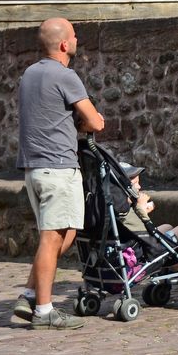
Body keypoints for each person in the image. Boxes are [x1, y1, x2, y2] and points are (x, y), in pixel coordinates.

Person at [12, 17, 105, 329]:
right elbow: (95, 122)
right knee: (53, 240)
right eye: (75, 36)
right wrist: (85, 123)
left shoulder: (29, 74)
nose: (77, 40)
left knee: (61, 236)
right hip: (59, 167)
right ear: (65, 44)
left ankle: (29, 295)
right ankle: (44, 310)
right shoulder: (66, 75)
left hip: (33, 168)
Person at [118, 162, 178, 261]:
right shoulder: (124, 211)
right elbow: (143, 232)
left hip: (127, 247)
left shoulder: (112, 206)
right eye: (135, 183)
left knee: (167, 227)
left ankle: (167, 269)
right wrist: (141, 210)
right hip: (140, 253)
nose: (139, 187)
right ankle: (177, 269)